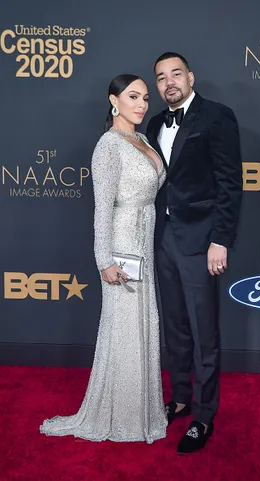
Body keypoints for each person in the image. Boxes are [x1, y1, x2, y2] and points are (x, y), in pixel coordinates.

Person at [40, 74, 167, 443]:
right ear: (114, 100)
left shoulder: (140, 139)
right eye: (133, 96)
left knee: (141, 324)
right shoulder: (108, 146)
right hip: (122, 245)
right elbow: (102, 209)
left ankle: (142, 411)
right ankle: (120, 415)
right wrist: (104, 260)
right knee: (124, 328)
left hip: (144, 240)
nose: (142, 104)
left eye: (145, 97)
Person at [147, 53, 243, 454]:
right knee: (175, 327)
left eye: (175, 74)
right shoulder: (153, 123)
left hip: (202, 240)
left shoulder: (217, 116)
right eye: (161, 77)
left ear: (190, 77)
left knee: (204, 332)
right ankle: (182, 397)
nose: (169, 82)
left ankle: (204, 416)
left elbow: (230, 183)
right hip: (164, 236)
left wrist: (220, 240)